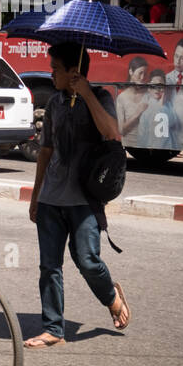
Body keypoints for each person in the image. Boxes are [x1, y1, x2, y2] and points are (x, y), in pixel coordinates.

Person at [26, 42, 130, 348]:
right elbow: (45, 151)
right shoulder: (56, 103)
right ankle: (53, 329)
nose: (51, 73)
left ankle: (111, 296)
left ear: (74, 71)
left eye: (55, 67)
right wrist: (35, 196)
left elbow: (111, 132)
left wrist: (84, 93)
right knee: (49, 266)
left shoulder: (100, 97)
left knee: (87, 260)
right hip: (51, 199)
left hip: (84, 198)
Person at [135, 68, 178, 150]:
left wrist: (161, 105)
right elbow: (141, 138)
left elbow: (173, 125)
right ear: (149, 88)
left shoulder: (170, 107)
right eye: (154, 85)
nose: (157, 89)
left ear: (165, 88)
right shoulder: (144, 109)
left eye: (160, 86)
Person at [115, 56, 150, 142]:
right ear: (131, 71)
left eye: (145, 74)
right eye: (140, 73)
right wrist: (138, 113)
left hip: (148, 145)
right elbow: (121, 130)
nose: (142, 78)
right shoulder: (122, 98)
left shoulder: (149, 95)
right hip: (129, 146)